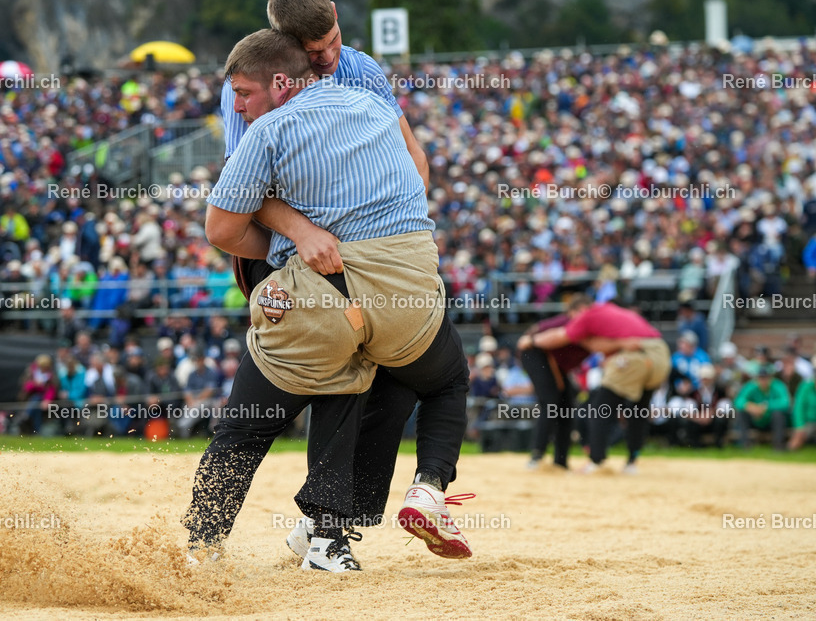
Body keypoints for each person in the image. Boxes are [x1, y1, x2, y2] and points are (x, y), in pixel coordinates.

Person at [183, 29, 471, 572]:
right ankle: (346, 532)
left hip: (318, 297)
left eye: (242, 93)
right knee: (425, 380)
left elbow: (220, 229)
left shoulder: (265, 131)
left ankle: (202, 549)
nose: (236, 106)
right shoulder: (373, 103)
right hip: (403, 293)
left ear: (281, 82)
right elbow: (418, 168)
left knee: (245, 428)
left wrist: (289, 244)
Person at [529, 296, 672, 474]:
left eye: (572, 316)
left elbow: (561, 336)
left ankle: (596, 461)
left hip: (634, 357)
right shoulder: (614, 311)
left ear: (580, 309)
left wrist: (531, 341)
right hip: (661, 354)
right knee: (638, 411)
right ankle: (632, 463)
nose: (573, 321)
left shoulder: (588, 315)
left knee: (599, 409)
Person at [516, 314, 590, 470]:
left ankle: (560, 461)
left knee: (566, 407)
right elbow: (538, 328)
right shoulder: (570, 320)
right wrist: (530, 339)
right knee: (550, 403)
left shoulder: (593, 327)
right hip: (536, 352)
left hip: (557, 365)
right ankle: (537, 455)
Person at [734, 365, 790, 451]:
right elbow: (738, 401)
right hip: (755, 420)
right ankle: (745, 445)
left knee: (778, 414)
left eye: (766, 378)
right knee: (742, 413)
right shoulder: (751, 386)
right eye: (761, 378)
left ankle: (778, 445)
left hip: (770, 420)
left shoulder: (778, 385)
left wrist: (766, 406)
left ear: (771, 378)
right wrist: (750, 406)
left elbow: (785, 403)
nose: (763, 381)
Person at [789, 359, 816, 451]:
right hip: (808, 422)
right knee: (796, 440)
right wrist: (799, 426)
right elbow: (798, 409)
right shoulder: (805, 387)